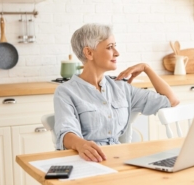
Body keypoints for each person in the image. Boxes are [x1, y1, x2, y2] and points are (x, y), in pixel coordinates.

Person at [54, 23, 179, 163]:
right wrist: (80, 144)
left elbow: (171, 101)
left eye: (115, 45)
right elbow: (65, 132)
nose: (117, 52)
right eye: (109, 47)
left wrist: (146, 68)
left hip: (119, 159)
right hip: (86, 161)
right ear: (89, 53)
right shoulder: (66, 91)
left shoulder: (121, 88)